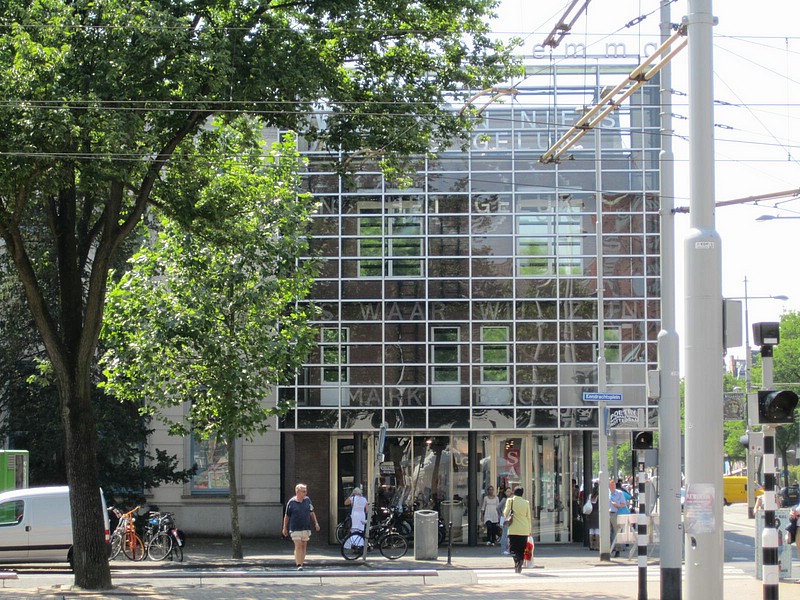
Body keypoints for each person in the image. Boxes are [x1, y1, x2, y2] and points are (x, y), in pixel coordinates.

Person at [282, 483, 320, 570]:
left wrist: (316, 523)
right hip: (295, 528)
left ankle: (301, 564)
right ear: (298, 492)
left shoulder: (307, 500)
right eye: (303, 491)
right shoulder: (291, 502)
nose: (305, 493)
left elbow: (312, 512)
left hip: (306, 527)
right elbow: (287, 516)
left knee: (304, 545)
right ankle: (298, 564)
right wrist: (285, 527)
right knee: (298, 545)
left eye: (306, 491)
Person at [503, 487, 532, 573]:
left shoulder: (510, 501)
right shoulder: (526, 503)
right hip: (524, 529)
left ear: (514, 493)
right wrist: (530, 530)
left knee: (513, 548)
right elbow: (528, 517)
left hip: (513, 529)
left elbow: (505, 513)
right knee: (522, 548)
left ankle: (517, 561)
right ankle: (520, 561)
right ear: (522, 493)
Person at [609, 479, 628, 557]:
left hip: (615, 513)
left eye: (613, 486)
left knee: (617, 532)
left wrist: (617, 505)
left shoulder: (619, 493)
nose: (612, 487)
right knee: (607, 532)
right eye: (611, 486)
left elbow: (624, 504)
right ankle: (609, 549)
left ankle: (618, 549)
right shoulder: (606, 493)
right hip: (606, 513)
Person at [498, 487, 512, 555]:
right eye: (508, 491)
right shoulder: (504, 499)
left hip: (509, 518)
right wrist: (502, 515)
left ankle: (507, 549)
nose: (509, 493)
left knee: (508, 535)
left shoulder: (510, 499)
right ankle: (503, 549)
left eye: (510, 491)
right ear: (505, 492)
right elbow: (498, 507)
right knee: (504, 534)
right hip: (505, 518)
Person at [586, 482, 600, 550]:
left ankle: (591, 545)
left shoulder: (590, 496)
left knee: (591, 530)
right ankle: (597, 546)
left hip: (590, 514)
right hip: (597, 514)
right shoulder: (599, 497)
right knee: (597, 530)